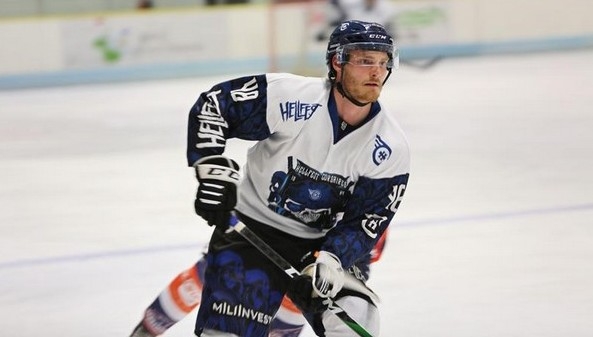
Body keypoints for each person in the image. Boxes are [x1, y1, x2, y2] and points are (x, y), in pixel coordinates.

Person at [138, 19, 410, 337]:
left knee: (357, 321)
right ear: (338, 62)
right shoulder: (292, 98)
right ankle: (148, 328)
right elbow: (214, 106)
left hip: (323, 244)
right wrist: (212, 169)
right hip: (254, 232)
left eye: (383, 62)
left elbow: (366, 223)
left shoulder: (390, 147)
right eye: (365, 61)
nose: (377, 72)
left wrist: (333, 259)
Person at [129, 231, 388, 337]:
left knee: (302, 298)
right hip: (276, 225)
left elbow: (354, 269)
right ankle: (148, 328)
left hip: (318, 260)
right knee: (216, 271)